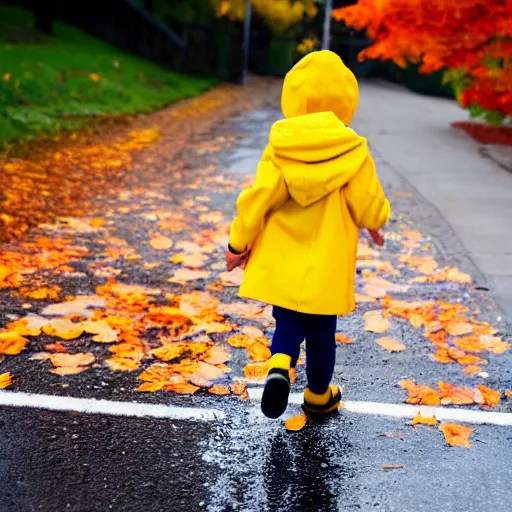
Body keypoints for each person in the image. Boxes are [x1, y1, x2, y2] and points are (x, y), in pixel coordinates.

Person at [225, 50, 391, 419]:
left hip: (283, 258)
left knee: (287, 319)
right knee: (321, 333)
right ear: (347, 101)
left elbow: (257, 200)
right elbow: (368, 205)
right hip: (327, 263)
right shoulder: (354, 152)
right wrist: (375, 221)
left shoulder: (280, 147)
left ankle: (279, 365)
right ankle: (318, 395)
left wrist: (238, 244)